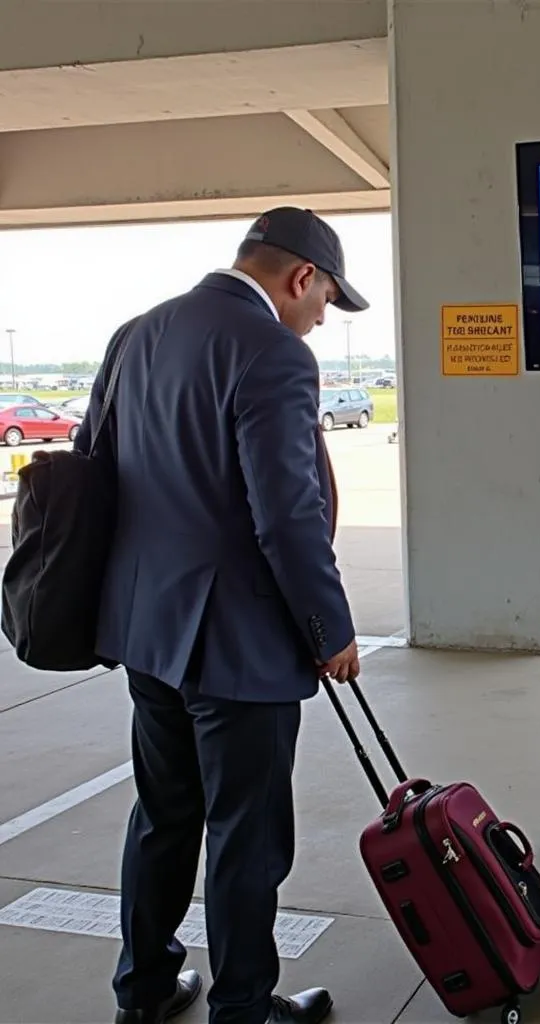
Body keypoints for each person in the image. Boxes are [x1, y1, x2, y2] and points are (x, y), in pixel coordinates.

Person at [74, 208, 369, 1024]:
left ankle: (144, 991)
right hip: (240, 647)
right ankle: (243, 1009)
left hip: (147, 634)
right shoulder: (272, 351)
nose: (317, 323)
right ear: (301, 276)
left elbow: (94, 470)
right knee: (247, 836)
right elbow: (288, 514)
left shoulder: (137, 334)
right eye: (324, 303)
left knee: (164, 815)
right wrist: (329, 629)